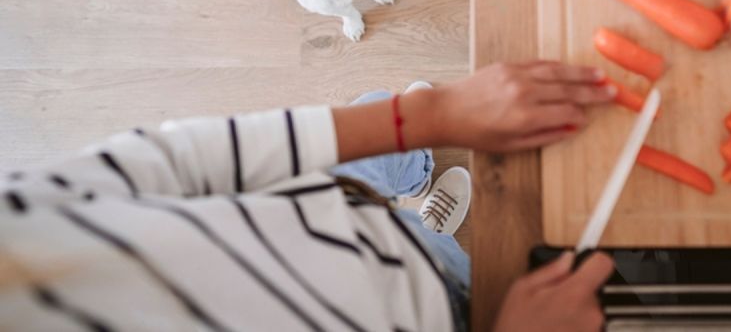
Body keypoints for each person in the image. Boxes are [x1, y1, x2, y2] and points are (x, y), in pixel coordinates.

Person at [0, 61, 617, 331]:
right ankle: (430, 235)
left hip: (328, 212)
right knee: (463, 270)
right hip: (440, 321)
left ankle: (417, 217)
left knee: (382, 112)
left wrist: (435, 113)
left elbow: (175, 159)